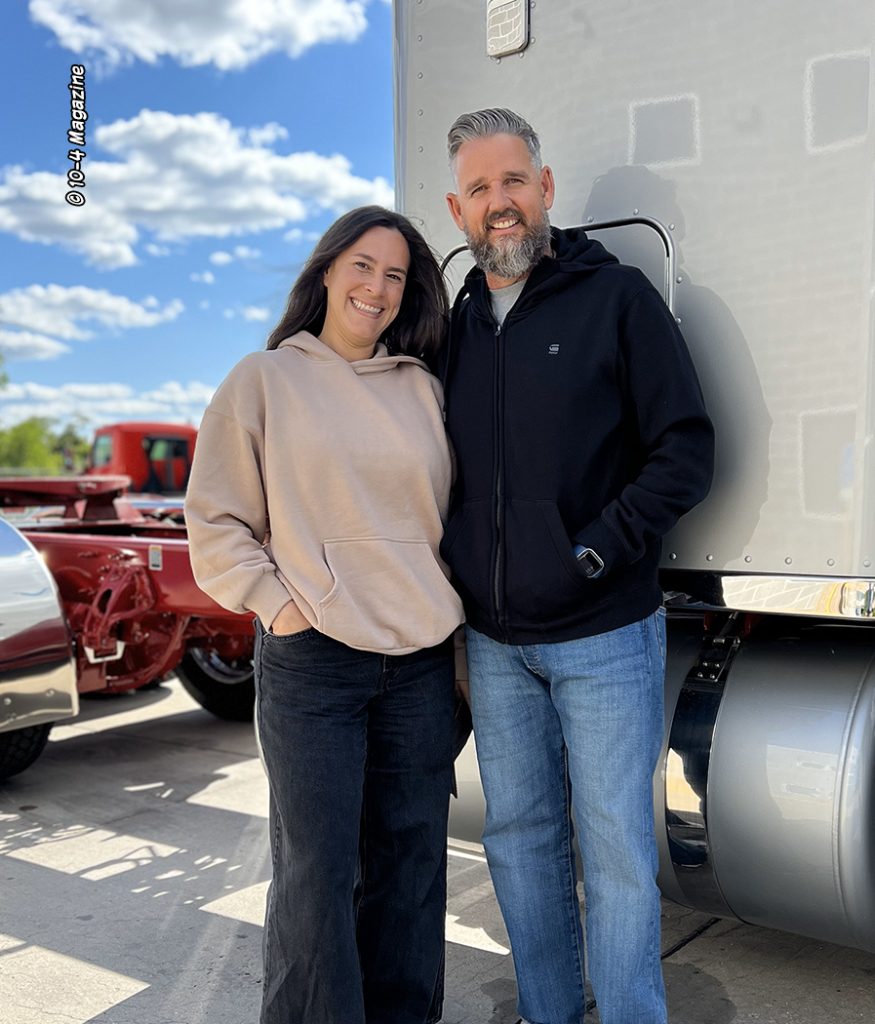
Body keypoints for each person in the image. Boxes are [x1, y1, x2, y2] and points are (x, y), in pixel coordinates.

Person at [441, 109, 714, 1024]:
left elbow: (684, 450)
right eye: (479, 188)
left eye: (513, 181)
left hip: (605, 633)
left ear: (545, 188)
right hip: (493, 642)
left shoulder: (616, 298)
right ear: (456, 210)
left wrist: (592, 550)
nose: (500, 203)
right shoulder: (453, 329)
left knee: (616, 853)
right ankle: (546, 1012)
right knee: (518, 843)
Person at [184, 206, 464, 1024]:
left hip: (418, 662)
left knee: (411, 867)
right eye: (362, 266)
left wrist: (456, 651)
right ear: (327, 271)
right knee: (317, 875)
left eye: (394, 275)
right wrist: (278, 607)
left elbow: (447, 525)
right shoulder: (263, 379)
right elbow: (216, 520)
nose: (376, 287)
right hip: (314, 662)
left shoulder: (423, 389)